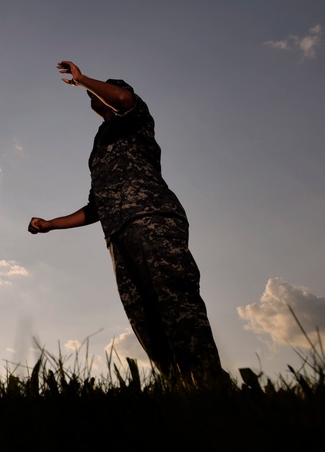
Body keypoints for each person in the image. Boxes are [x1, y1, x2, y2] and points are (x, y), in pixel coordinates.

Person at [28, 61, 225, 384]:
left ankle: (213, 386)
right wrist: (51, 224)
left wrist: (83, 80)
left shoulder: (135, 118)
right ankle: (182, 390)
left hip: (152, 219)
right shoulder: (100, 145)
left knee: (176, 305)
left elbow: (121, 100)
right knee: (144, 318)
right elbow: (96, 207)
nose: (94, 97)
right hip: (118, 236)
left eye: (99, 92)